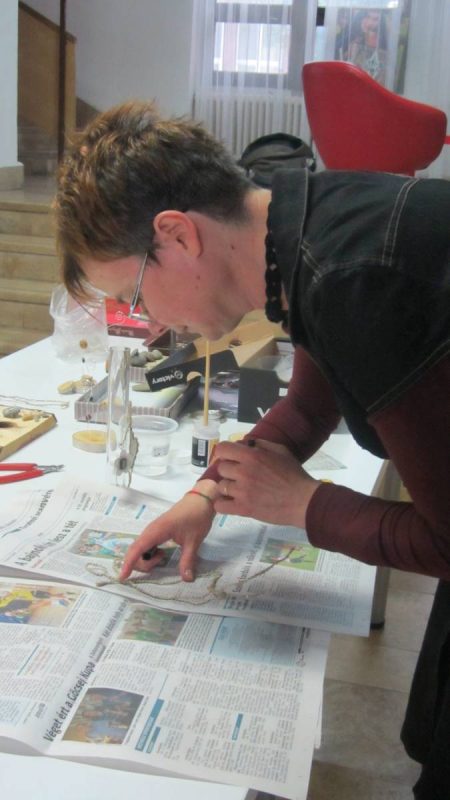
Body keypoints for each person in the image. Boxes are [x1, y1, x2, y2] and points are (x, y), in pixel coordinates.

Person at [55, 101, 449, 799]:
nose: (150, 327)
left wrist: (305, 505)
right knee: (430, 735)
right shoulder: (303, 231)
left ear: (177, 235)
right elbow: (310, 406)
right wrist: (207, 495)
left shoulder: (354, 280)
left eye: (135, 297)